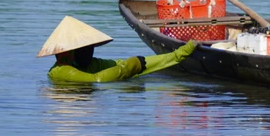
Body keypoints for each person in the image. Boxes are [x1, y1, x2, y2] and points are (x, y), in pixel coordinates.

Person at [37, 15, 197, 83]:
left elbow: (123, 64)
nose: (88, 52)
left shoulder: (90, 65)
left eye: (89, 47)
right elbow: (97, 80)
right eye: (83, 48)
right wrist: (131, 66)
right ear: (68, 52)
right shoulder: (61, 71)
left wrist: (180, 54)